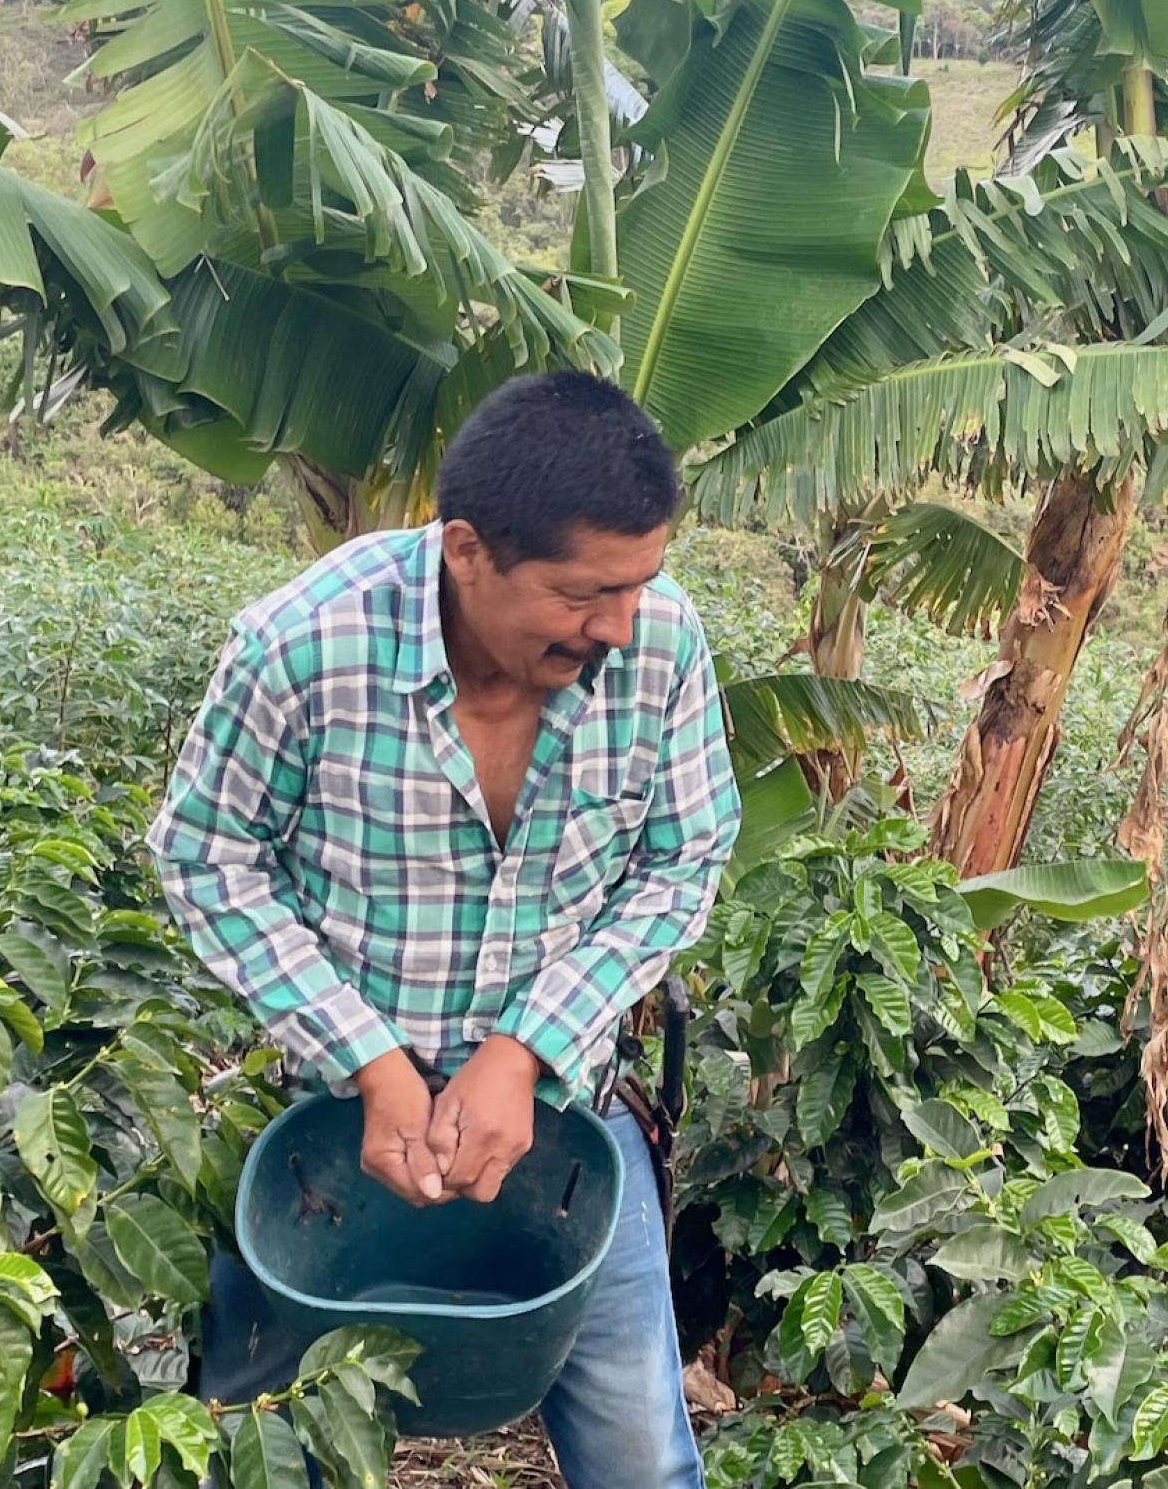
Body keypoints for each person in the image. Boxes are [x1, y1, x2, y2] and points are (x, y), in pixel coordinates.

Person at [152, 372, 738, 1489]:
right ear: (466, 548)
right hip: (321, 1128)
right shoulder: (302, 646)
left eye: (638, 583)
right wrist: (371, 1063)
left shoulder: (658, 642)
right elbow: (203, 851)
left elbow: (685, 856)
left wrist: (523, 1051)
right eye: (582, 593)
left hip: (569, 1119)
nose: (616, 623)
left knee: (642, 1458)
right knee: (260, 1447)